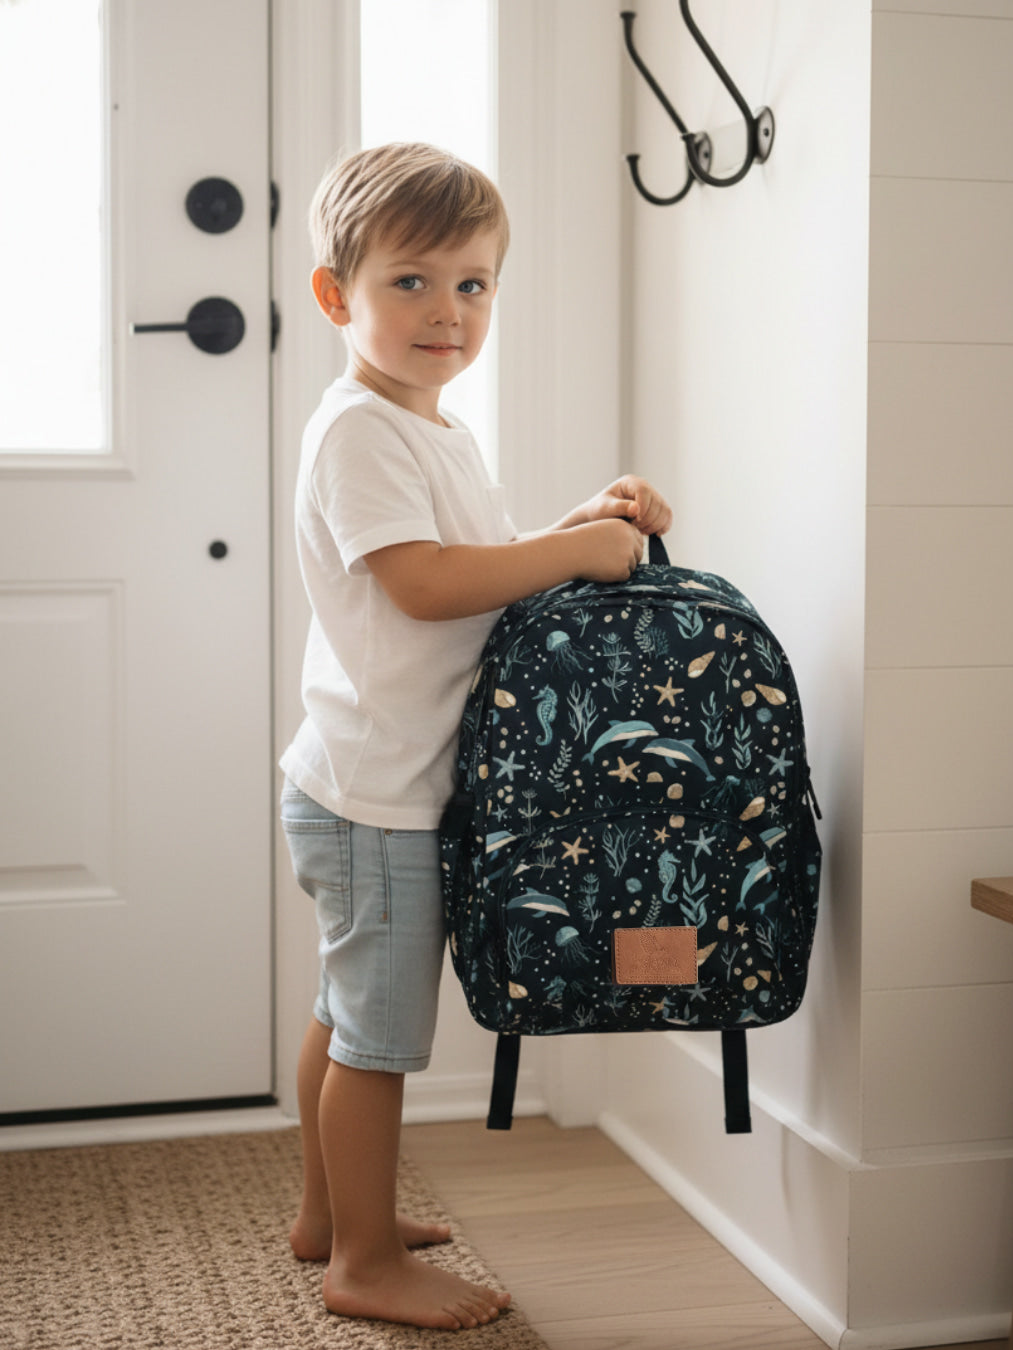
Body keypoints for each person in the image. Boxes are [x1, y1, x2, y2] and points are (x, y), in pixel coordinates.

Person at [279, 141, 672, 1331]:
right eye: (410, 282)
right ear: (337, 296)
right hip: (377, 797)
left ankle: (328, 1216)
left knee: (346, 1010)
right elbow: (425, 585)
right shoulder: (360, 432)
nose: (446, 311)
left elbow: (476, 570)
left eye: (472, 283)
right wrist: (572, 552)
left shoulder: (431, 429)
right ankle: (362, 1261)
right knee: (379, 1037)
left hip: (373, 782)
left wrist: (577, 527)